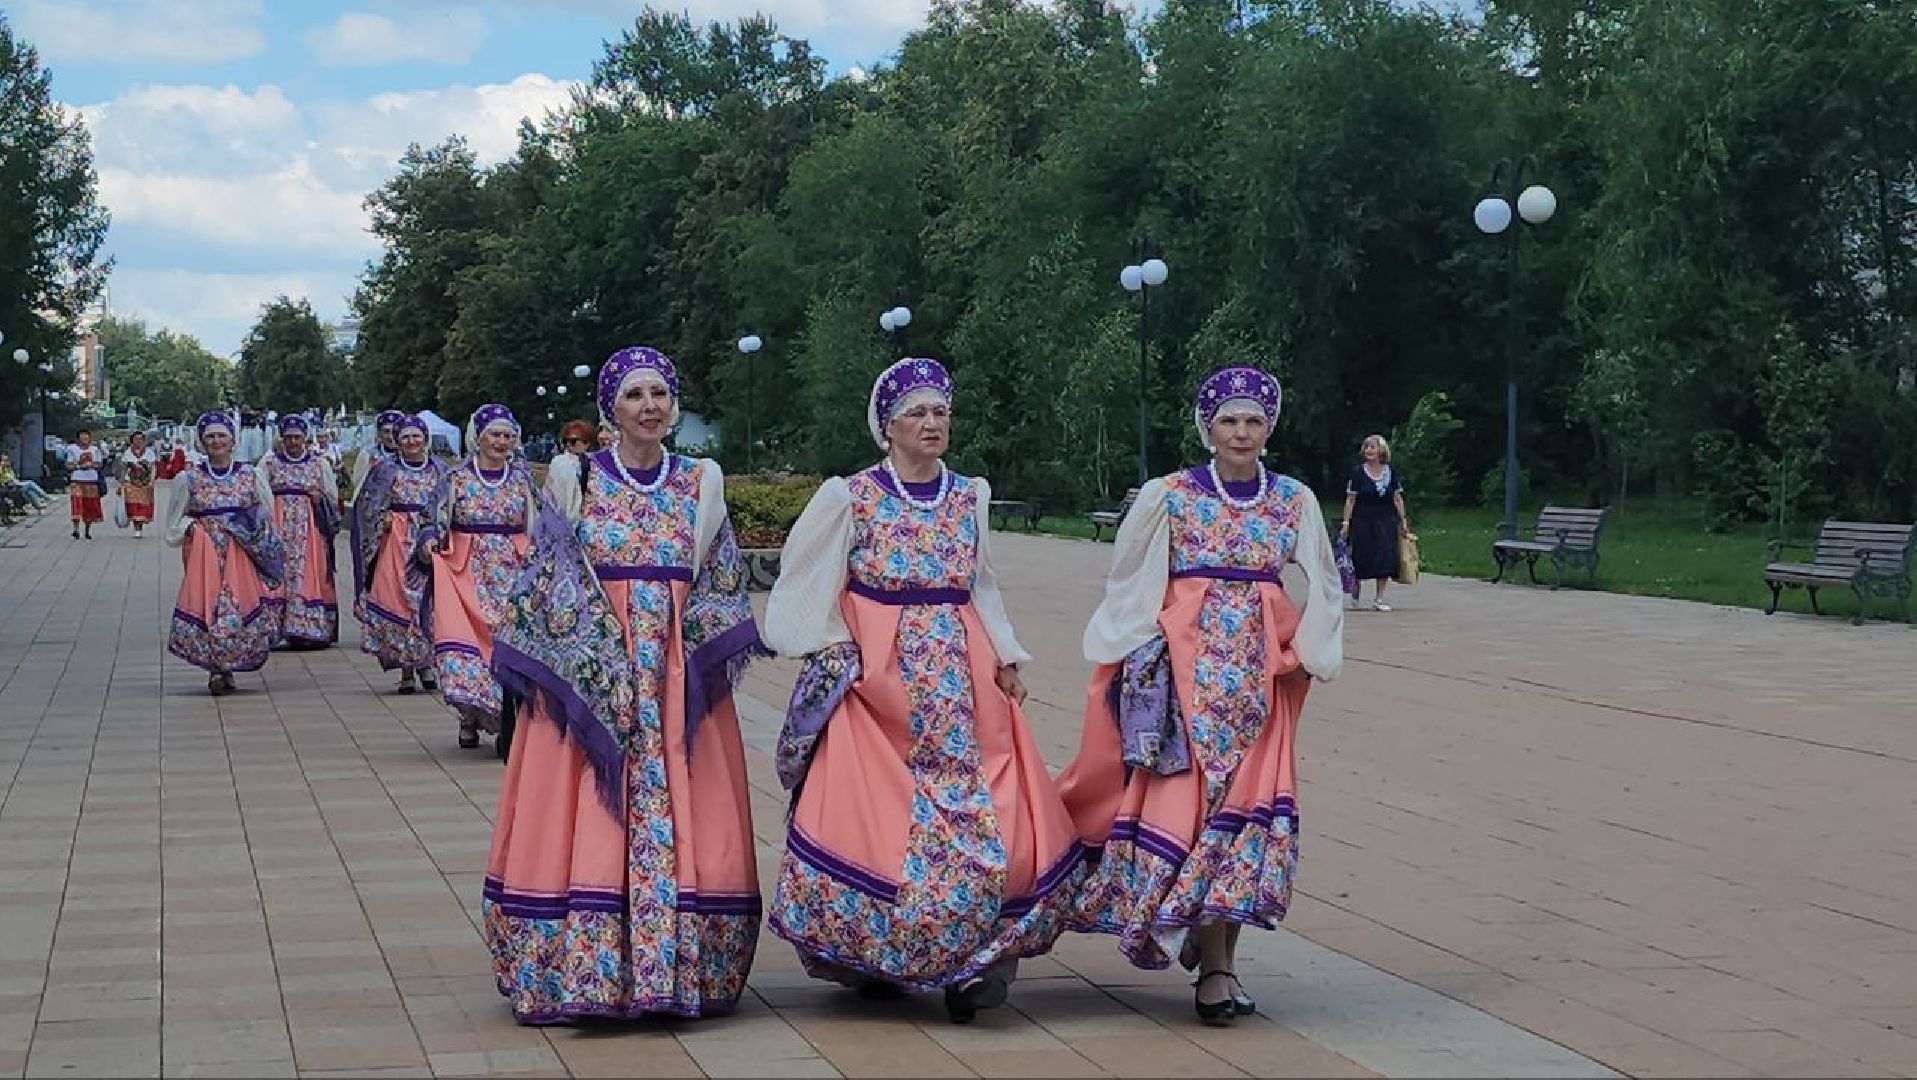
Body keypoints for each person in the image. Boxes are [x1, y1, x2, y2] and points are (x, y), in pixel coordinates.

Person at [763, 357, 1087, 1024]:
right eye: (917, 412)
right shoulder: (849, 496)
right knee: (882, 818)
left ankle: (975, 960)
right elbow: (801, 581)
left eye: (940, 411)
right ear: (887, 426)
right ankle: (880, 956)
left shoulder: (969, 493)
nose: (932, 422)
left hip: (962, 674)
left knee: (986, 807)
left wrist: (1005, 657)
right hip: (876, 683)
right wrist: (835, 651)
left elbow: (982, 584)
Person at [484, 347, 765, 1024]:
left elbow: (717, 581)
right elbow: (548, 580)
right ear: (612, 408)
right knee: (587, 806)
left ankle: (673, 967)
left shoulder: (700, 481)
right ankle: (587, 971)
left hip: (668, 677)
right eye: (635, 394)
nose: (650, 406)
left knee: (679, 801)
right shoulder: (576, 478)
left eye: (661, 394)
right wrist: (591, 665)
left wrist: (685, 663)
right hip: (595, 670)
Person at [1057, 366, 1344, 1025]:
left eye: (1252, 421)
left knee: (1242, 818)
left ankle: (1218, 967)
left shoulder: (1290, 498)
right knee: (1191, 812)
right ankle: (1196, 941)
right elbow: (1129, 578)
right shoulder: (1171, 495)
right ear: (1206, 428)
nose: (1240, 432)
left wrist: (1309, 654)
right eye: (1228, 421)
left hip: (1259, 684)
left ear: (1267, 428)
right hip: (1182, 684)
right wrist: (1127, 654)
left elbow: (1325, 579)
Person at [414, 404, 539, 751]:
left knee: (507, 643)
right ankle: (469, 715)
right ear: (478, 438)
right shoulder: (456, 479)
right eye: (494, 435)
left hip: (513, 574)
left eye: (507, 436)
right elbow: (431, 519)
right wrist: (428, 544)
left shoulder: (523, 479)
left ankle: (506, 718)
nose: (501, 442)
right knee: (466, 642)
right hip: (465, 572)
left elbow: (541, 523)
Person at [164, 412, 286, 695]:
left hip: (240, 553)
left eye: (222, 436)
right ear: (202, 442)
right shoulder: (189, 479)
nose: (216, 441)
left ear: (233, 440)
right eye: (210, 437)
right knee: (210, 608)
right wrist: (193, 528)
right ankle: (216, 669)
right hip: (205, 555)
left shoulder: (250, 475)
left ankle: (228, 664)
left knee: (236, 607)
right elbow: (173, 522)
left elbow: (266, 516)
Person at [353, 414, 447, 693]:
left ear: (425, 438)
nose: (411, 441)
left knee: (428, 602)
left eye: (416, 435)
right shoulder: (385, 469)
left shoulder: (441, 470)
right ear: (397, 441)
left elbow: (450, 505)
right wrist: (380, 520)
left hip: (430, 542)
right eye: (405, 437)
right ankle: (406, 669)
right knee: (399, 600)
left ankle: (426, 664)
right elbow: (367, 504)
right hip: (396, 540)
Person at [262, 414, 341, 649]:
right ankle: (277, 628)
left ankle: (307, 628)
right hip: (279, 526)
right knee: (279, 572)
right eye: (289, 438)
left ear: (305, 439)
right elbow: (261, 494)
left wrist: (320, 497)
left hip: (309, 529)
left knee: (308, 572)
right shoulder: (269, 464)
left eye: (297, 437)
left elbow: (333, 496)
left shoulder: (319, 464)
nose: (293, 442)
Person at [1339, 434, 1409, 612]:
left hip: (1386, 520)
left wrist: (1403, 520)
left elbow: (1397, 498)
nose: (1369, 450)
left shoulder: (1390, 472)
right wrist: (1346, 522)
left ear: (1381, 451)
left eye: (1372, 447)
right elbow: (1351, 499)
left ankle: (1379, 598)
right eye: (1367, 447)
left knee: (1385, 557)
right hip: (1363, 520)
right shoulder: (1358, 473)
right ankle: (1355, 590)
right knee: (1361, 557)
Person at [349, 410, 405, 506]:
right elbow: (357, 483)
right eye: (386, 431)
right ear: (379, 433)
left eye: (395, 431)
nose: (391, 436)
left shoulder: (408, 457)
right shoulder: (367, 455)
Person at [63, 429, 107, 540]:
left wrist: (90, 465)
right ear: (78, 440)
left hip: (91, 482)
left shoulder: (95, 450)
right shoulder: (72, 449)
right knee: (76, 504)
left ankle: (87, 530)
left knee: (90, 507)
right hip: (77, 481)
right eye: (82, 439)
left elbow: (99, 464)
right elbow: (68, 466)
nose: (84, 441)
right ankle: (76, 529)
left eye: (86, 439)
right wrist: (79, 465)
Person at [119, 431, 158, 537]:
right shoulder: (127, 453)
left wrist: (152, 480)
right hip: (131, 482)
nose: (138, 441)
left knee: (143, 505)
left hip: (145, 483)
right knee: (133, 505)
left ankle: (140, 526)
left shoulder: (149, 452)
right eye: (136, 439)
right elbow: (123, 469)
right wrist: (121, 484)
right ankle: (137, 527)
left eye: (141, 439)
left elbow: (153, 467)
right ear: (132, 441)